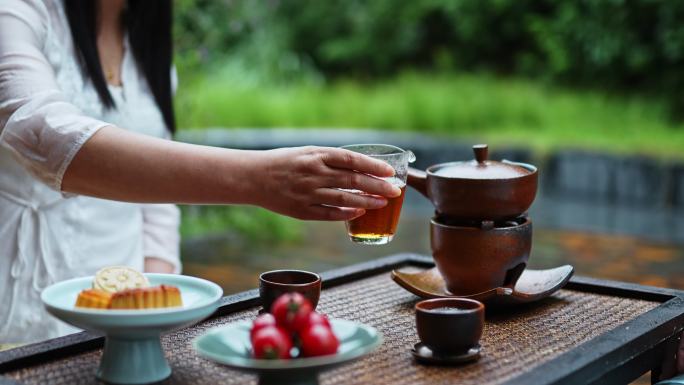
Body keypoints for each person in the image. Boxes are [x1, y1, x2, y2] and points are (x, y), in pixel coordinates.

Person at [0, 0, 399, 344]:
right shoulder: (17, 13)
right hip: (20, 325)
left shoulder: (144, 44)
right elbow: (41, 135)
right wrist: (259, 179)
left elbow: (156, 203)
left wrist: (149, 314)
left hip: (120, 323)